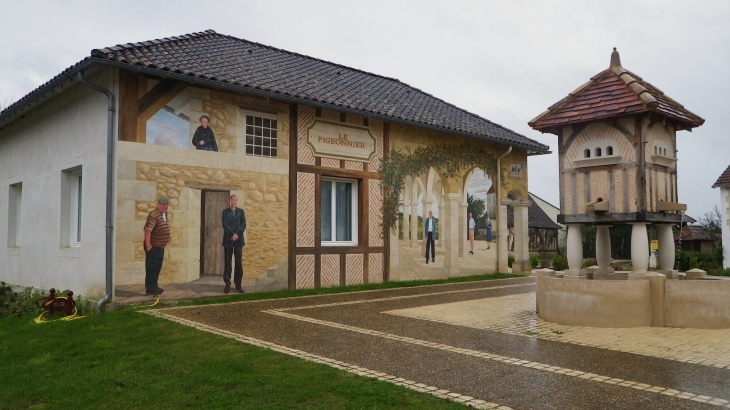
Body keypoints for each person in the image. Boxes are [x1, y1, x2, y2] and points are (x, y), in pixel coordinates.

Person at [144, 197, 172, 295]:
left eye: (166, 204)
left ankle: (154, 286)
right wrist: (148, 245)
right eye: (163, 204)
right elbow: (148, 230)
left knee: (157, 267)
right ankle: (150, 288)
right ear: (158, 204)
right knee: (151, 267)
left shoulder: (164, 214)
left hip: (160, 246)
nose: (165, 206)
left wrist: (168, 236)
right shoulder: (153, 215)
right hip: (153, 246)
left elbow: (165, 226)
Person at [222, 195, 246, 293]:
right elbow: (225, 225)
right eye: (233, 200)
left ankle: (238, 284)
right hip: (228, 240)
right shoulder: (225, 212)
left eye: (236, 200)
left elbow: (243, 224)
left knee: (238, 263)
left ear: (237, 202)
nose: (234, 202)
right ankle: (227, 284)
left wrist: (237, 235)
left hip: (238, 241)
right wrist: (232, 234)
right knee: (227, 263)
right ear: (230, 201)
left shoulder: (241, 212)